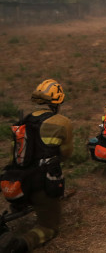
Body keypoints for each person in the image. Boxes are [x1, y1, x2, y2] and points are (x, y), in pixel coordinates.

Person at [0, 79, 73, 252]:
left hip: (16, 183)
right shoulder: (62, 122)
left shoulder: (23, 122)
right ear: (56, 103)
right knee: (49, 228)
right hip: (42, 184)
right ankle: (20, 244)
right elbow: (66, 154)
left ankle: (20, 204)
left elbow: (15, 155)